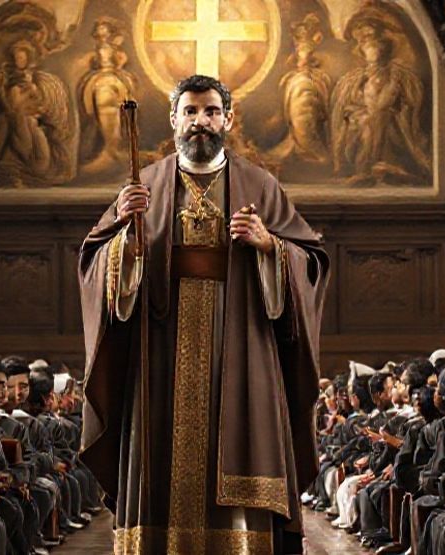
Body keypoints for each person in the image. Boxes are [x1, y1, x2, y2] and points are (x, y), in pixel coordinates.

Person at [79, 74, 330, 554]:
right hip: (161, 350)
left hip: (239, 345)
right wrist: (126, 239)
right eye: (190, 112)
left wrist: (269, 246)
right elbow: (94, 264)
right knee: (160, 457)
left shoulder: (261, 186)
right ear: (173, 119)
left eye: (211, 111)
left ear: (228, 119)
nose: (201, 121)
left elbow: (312, 262)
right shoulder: (143, 185)